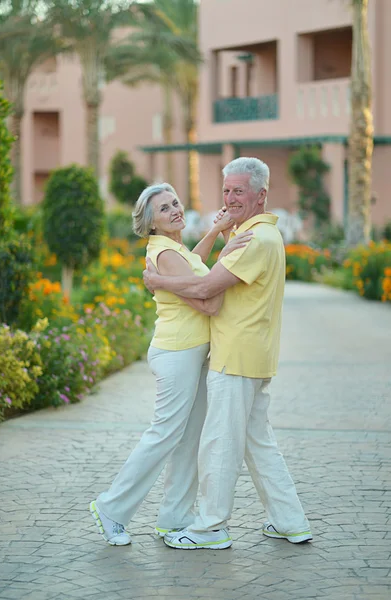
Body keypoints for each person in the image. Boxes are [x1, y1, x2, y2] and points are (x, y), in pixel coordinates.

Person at [143, 158, 312, 550]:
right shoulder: (260, 235)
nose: (230, 198)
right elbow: (207, 275)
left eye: (239, 191)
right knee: (258, 443)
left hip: (234, 357)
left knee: (219, 444)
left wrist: (157, 280)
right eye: (227, 190)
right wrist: (220, 237)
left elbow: (206, 290)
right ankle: (291, 521)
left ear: (261, 195)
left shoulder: (253, 239)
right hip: (250, 356)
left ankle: (211, 528)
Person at [90, 182, 252, 545]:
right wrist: (230, 257)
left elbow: (194, 264)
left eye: (175, 203)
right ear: (151, 223)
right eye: (164, 209)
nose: (175, 210)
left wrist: (213, 233)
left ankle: (174, 517)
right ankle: (111, 508)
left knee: (189, 438)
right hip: (177, 353)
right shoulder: (163, 253)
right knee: (163, 435)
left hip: (190, 353)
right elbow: (208, 302)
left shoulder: (173, 249)